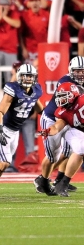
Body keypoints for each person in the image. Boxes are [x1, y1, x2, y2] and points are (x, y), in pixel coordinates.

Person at [0, 64, 44, 195]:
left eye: (30, 76)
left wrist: (50, 117)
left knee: (0, 160)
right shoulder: (13, 89)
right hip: (4, 128)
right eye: (25, 76)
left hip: (15, 130)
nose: (28, 79)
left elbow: (39, 107)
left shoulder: (36, 90)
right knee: (5, 162)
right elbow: (0, 111)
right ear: (19, 76)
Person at [33, 57, 83, 195]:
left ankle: (60, 180)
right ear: (70, 71)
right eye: (77, 71)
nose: (80, 74)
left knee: (68, 152)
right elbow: (72, 97)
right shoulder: (65, 81)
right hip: (53, 118)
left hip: (70, 119)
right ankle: (43, 179)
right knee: (52, 156)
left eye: (82, 71)